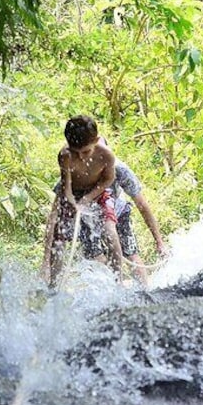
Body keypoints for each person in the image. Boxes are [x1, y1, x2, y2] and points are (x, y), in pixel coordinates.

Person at [44, 115, 122, 284]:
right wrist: (72, 201)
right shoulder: (65, 155)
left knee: (109, 230)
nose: (80, 157)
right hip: (74, 193)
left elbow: (108, 180)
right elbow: (66, 185)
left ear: (96, 140)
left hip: (99, 193)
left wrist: (88, 198)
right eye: (75, 152)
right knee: (59, 236)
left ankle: (118, 280)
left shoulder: (106, 155)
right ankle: (54, 284)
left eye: (86, 152)